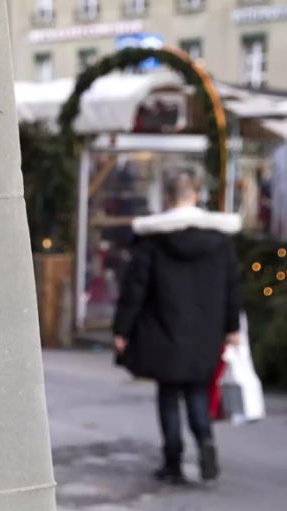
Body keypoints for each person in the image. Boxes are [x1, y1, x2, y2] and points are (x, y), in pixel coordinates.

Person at [113, 169, 242, 484]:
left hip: (163, 329)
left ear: (168, 199)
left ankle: (173, 461)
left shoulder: (153, 241)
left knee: (168, 394)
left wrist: (122, 329)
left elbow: (136, 288)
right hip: (206, 332)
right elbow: (232, 286)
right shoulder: (220, 240)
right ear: (195, 196)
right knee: (198, 390)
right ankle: (205, 442)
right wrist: (232, 327)